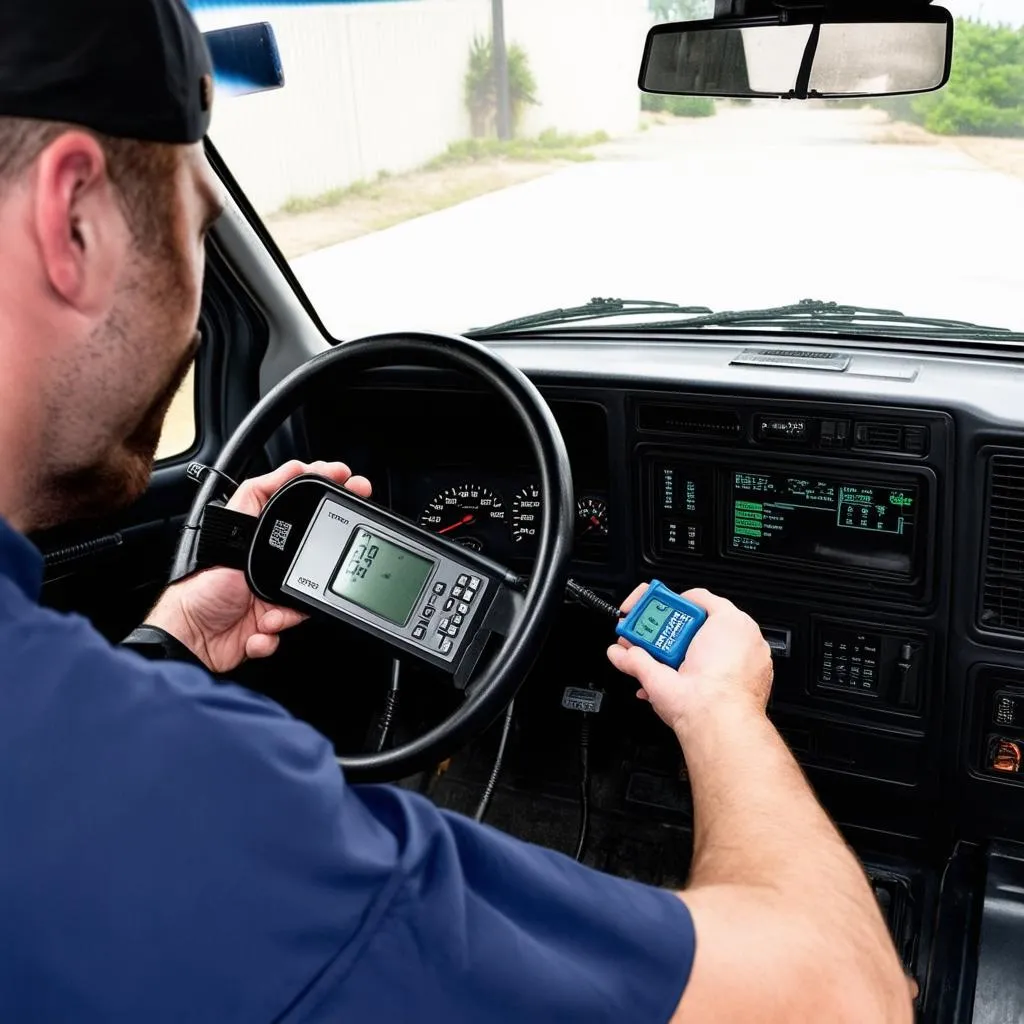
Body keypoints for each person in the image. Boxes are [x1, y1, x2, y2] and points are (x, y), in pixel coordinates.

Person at [0, 1, 914, 1021]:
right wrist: (723, 710)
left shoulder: (75, 735)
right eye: (200, 225)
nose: (196, 287)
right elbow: (846, 995)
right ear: (71, 219)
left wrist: (165, 649)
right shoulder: (197, 810)